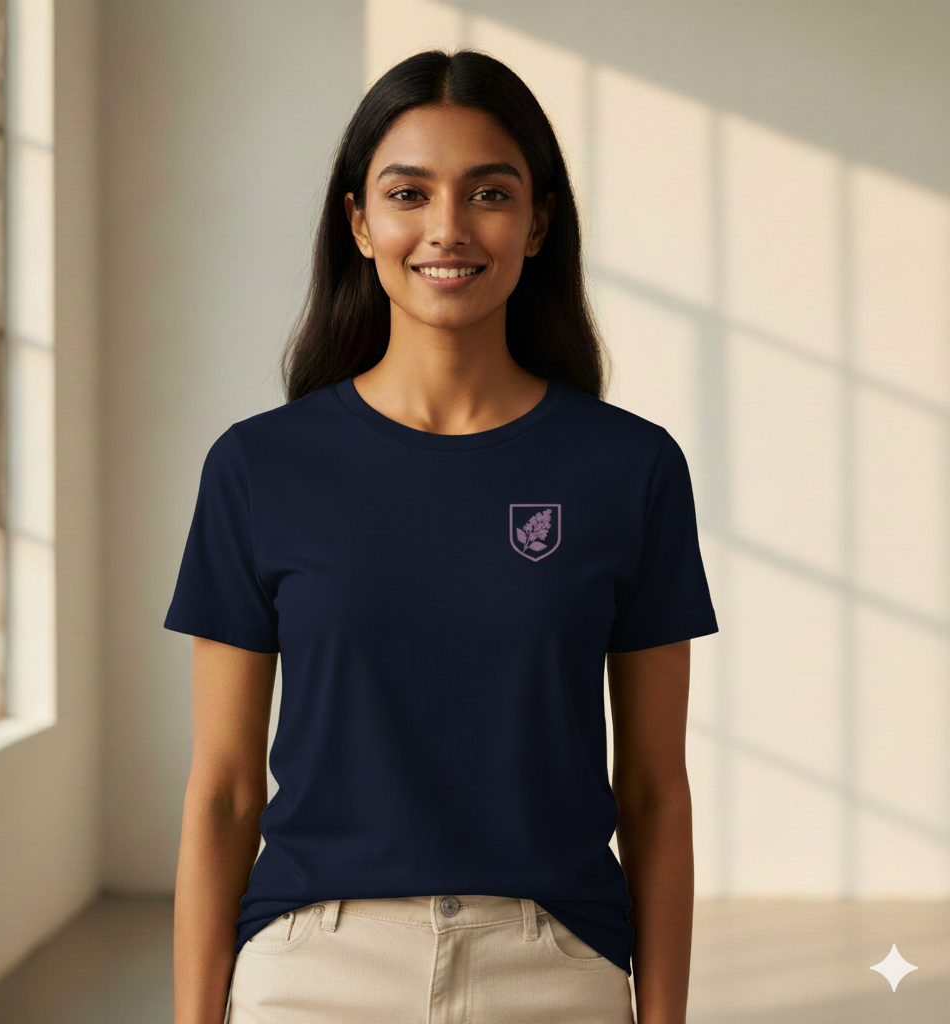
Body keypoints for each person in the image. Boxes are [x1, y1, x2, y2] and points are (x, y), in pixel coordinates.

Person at [166, 48, 717, 1024]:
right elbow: (221, 791)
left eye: (489, 193)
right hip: (312, 971)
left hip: (553, 969)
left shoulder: (629, 469)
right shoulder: (258, 468)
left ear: (538, 220)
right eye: (408, 193)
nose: (447, 229)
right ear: (359, 222)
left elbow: (654, 791)